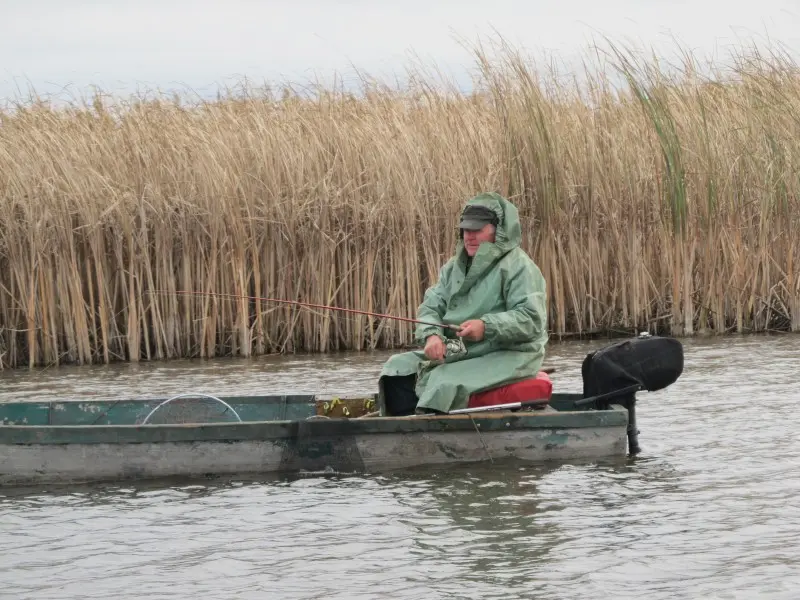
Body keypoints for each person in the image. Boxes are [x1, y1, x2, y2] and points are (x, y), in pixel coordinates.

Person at [377, 192, 549, 415]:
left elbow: (531, 319)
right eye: (466, 230)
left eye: (477, 230)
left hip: (511, 354)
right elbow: (431, 306)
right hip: (463, 351)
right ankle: (399, 437)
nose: (469, 236)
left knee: (442, 385)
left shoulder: (520, 267)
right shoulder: (453, 267)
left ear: (498, 230)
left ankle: (430, 442)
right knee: (396, 369)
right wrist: (432, 335)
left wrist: (486, 327)